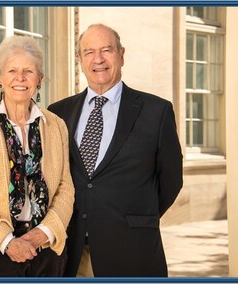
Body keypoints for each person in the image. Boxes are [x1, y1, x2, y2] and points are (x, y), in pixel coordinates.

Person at [47, 23, 183, 277]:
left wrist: (137, 218)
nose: (98, 59)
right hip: (73, 253)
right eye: (89, 52)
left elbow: (171, 180)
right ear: (79, 59)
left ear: (121, 55)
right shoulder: (58, 113)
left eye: (106, 50)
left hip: (133, 251)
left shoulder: (156, 112)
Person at [0, 35, 75, 277]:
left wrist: (44, 232)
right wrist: (7, 241)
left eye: (28, 71)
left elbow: (65, 188)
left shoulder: (56, 125)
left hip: (47, 249)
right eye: (11, 70)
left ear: (39, 79)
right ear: (0, 77)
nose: (20, 78)